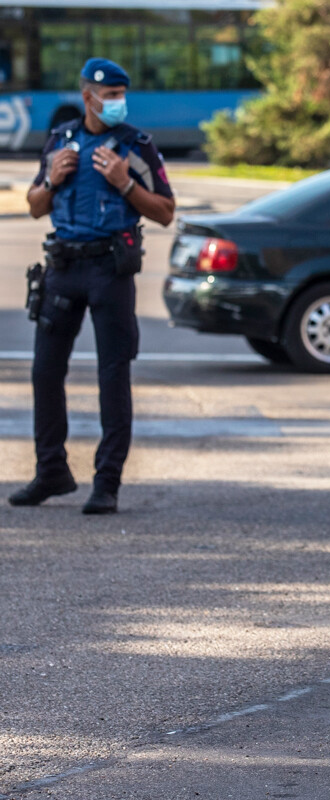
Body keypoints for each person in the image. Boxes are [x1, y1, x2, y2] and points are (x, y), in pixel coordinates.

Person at [8, 58, 175, 514]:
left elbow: (164, 211)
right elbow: (36, 205)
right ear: (88, 96)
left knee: (112, 375)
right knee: (45, 371)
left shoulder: (136, 146)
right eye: (112, 94)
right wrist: (50, 180)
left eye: (123, 93)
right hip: (63, 268)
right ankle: (51, 473)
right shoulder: (60, 142)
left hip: (110, 271)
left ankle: (108, 483)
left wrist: (125, 185)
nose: (119, 101)